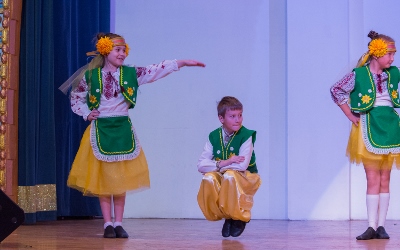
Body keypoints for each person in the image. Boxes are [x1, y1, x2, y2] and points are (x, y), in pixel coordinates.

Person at [64, 32, 205, 238]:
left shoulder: (131, 74)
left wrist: (180, 63)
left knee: (120, 180)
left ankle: (119, 223)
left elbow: (155, 70)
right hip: (101, 128)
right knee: (103, 180)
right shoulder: (90, 76)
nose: (122, 54)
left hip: (122, 128)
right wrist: (87, 114)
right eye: (117, 50)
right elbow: (76, 97)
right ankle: (107, 224)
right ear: (105, 50)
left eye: (124, 50)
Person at [330, 30, 400, 240]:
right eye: (389, 53)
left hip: (390, 126)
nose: (392, 58)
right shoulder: (359, 74)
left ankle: (381, 226)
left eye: (393, 54)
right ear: (377, 54)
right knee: (372, 178)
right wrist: (351, 116)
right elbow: (336, 90)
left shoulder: (394, 73)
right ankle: (370, 225)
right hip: (369, 124)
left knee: (385, 178)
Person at [197, 96, 261, 237]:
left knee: (230, 175)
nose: (238, 120)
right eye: (232, 116)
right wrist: (224, 163)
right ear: (221, 119)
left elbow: (242, 166)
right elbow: (201, 165)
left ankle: (239, 218)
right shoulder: (214, 136)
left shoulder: (246, 135)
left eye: (240, 115)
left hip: (247, 177)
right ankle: (227, 215)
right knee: (208, 178)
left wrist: (215, 166)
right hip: (225, 174)